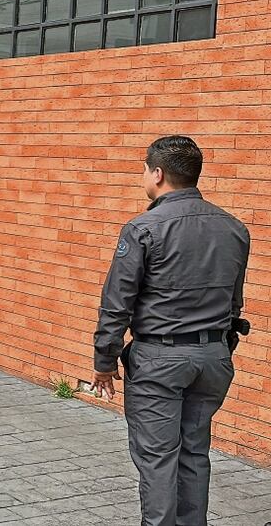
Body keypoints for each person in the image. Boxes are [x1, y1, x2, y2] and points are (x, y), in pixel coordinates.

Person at [92, 136, 250, 526]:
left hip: (160, 360)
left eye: (146, 169)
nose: (144, 176)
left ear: (158, 173)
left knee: (159, 459)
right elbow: (234, 302)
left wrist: (104, 360)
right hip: (212, 359)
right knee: (194, 453)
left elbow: (118, 303)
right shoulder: (233, 227)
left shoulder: (144, 228)